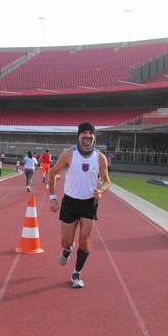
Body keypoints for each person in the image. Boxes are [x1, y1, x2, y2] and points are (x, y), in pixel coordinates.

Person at [48, 121, 110, 288]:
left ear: (94, 137)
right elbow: (52, 173)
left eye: (91, 134)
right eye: (84, 133)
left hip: (89, 204)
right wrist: (53, 197)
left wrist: (102, 191)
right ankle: (68, 249)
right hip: (70, 202)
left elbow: (107, 181)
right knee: (66, 242)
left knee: (85, 242)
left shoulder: (100, 158)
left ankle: (76, 273)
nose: (87, 136)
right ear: (79, 135)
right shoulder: (68, 154)